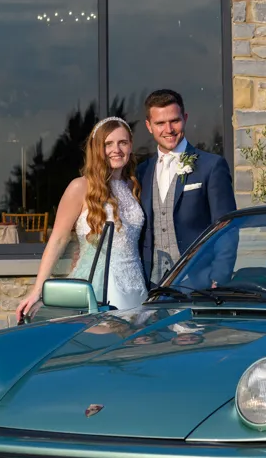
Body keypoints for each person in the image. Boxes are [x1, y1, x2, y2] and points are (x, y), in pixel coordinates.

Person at [15, 117, 148, 321]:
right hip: (99, 285)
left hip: (135, 284)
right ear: (97, 149)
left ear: (130, 146)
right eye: (108, 144)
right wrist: (37, 289)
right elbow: (58, 240)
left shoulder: (132, 187)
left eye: (122, 142)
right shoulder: (80, 187)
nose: (117, 149)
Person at [136, 89, 237, 290]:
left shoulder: (211, 165)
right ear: (149, 126)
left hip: (199, 280)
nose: (169, 129)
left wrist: (219, 277)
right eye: (160, 123)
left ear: (185, 118)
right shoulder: (142, 171)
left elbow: (227, 227)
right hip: (150, 282)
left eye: (174, 120)